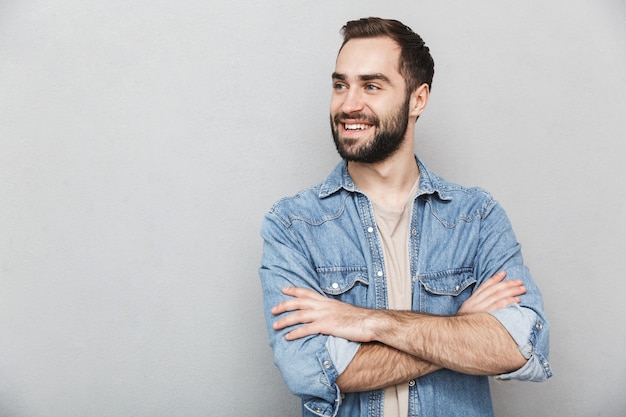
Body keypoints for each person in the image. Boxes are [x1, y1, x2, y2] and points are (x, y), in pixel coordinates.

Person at [259, 17, 552, 417]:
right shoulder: (292, 225)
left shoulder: (477, 217)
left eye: (372, 86)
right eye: (340, 85)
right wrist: (460, 326)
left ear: (418, 99)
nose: (348, 104)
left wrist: (370, 323)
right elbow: (310, 371)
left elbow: (519, 346)